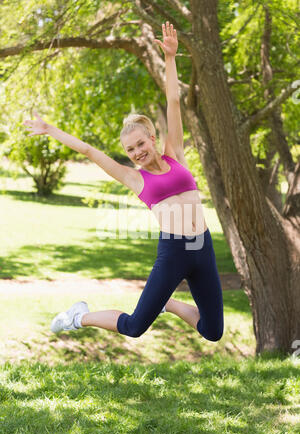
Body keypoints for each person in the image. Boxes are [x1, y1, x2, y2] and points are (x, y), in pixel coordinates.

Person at [23, 21, 223, 342]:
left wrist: (170, 58)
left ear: (152, 139)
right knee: (134, 327)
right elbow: (89, 151)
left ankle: (167, 303)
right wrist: (51, 130)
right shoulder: (135, 178)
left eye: (141, 144)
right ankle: (80, 315)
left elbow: (173, 103)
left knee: (212, 331)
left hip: (203, 247)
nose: (137, 152)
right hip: (173, 252)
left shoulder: (175, 155)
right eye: (130, 150)